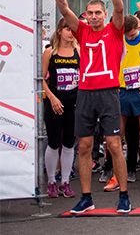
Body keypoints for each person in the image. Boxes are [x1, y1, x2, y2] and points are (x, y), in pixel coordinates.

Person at [51, 0, 131, 214]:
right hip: (85, 93)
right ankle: (86, 197)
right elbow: (64, 8)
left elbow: (119, 8)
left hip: (108, 93)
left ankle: (124, 196)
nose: (94, 16)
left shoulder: (114, 31)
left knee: (114, 144)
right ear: (86, 15)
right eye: (90, 13)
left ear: (104, 14)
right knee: (84, 146)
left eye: (98, 12)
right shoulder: (83, 31)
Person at [109, 15, 140, 193]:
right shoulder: (117, 37)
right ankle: (115, 175)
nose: (130, 36)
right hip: (121, 92)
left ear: (138, 26)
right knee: (115, 136)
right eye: (126, 34)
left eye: (132, 32)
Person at [43, 18, 80, 199]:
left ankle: (65, 181)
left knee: (68, 142)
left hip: (73, 103)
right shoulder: (50, 52)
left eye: (72, 29)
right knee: (53, 141)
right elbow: (41, 78)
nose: (70, 32)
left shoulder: (79, 51)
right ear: (59, 31)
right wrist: (51, 97)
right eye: (66, 29)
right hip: (54, 103)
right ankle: (51, 181)